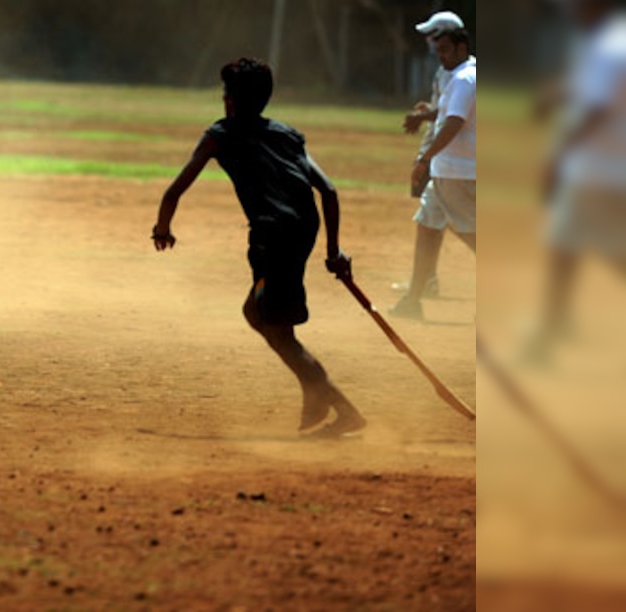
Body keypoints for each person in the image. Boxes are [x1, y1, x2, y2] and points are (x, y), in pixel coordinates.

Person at [151, 58, 365, 437]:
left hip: (272, 237)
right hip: (302, 230)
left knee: (275, 328)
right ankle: (314, 394)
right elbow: (328, 191)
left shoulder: (220, 133)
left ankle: (342, 409)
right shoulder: (287, 134)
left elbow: (175, 189)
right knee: (257, 312)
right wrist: (333, 251)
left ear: (230, 101)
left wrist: (162, 228)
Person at [526, 0, 626, 361]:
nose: (568, 7)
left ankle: (546, 338)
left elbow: (599, 108)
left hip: (596, 170)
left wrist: (558, 157)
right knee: (576, 249)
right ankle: (552, 330)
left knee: (569, 248)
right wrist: (559, 92)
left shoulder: (606, 45)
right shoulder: (611, 37)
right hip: (610, 169)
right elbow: (593, 89)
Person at [389, 26, 477, 319]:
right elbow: (446, 113)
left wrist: (425, 158)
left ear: (462, 48)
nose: (441, 56)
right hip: (447, 171)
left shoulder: (465, 78)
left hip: (457, 173)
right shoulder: (459, 77)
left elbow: (454, 122)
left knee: (474, 236)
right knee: (427, 227)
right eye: (438, 51)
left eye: (446, 50)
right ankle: (413, 300)